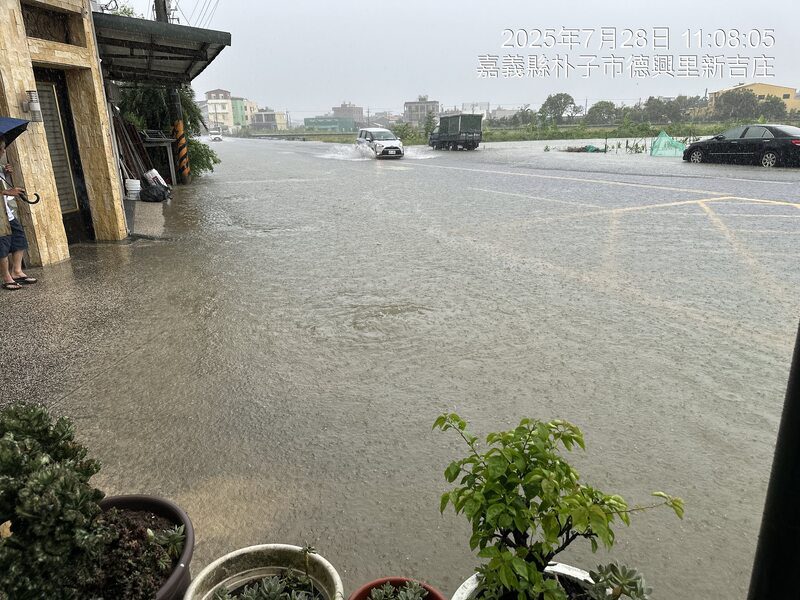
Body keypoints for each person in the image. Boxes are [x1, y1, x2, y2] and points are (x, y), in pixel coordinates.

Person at [0, 135, 37, 291]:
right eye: (0, 148)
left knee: (19, 237)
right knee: (2, 244)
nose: (3, 151)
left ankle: (16, 271)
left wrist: (6, 173)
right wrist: (8, 191)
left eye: (2, 148)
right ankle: (6, 277)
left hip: (7, 211)